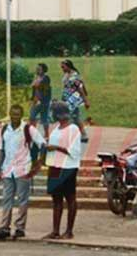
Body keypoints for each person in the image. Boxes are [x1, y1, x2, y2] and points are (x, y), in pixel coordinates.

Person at [0, 105, 46, 241]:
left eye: (17, 115)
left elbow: (43, 145)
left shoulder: (28, 129)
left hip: (23, 169)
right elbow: (1, 150)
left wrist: (37, 164)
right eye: (13, 114)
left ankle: (20, 227)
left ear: (21, 115)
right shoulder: (5, 130)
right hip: (8, 169)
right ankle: (4, 228)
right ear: (9, 114)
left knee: (22, 200)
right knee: (7, 199)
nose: (15, 117)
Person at [43, 102, 81, 240]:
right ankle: (55, 230)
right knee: (56, 199)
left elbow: (75, 151)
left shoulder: (73, 129)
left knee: (70, 198)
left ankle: (69, 231)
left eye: (53, 113)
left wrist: (56, 147)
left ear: (59, 114)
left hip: (68, 167)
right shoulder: (56, 129)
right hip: (54, 166)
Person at [60, 60, 90, 143]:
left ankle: (71, 136)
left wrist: (86, 100)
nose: (62, 69)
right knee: (76, 118)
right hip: (67, 98)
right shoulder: (66, 74)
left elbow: (80, 88)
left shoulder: (75, 75)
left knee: (68, 117)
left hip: (73, 99)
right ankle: (83, 135)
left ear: (68, 66)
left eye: (63, 67)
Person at [29, 63, 52, 138]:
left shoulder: (46, 78)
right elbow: (33, 88)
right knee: (32, 117)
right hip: (35, 100)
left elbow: (43, 88)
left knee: (44, 118)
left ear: (43, 70)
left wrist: (36, 84)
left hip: (43, 101)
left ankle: (46, 134)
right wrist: (32, 99)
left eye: (39, 69)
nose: (37, 70)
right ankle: (33, 133)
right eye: (37, 69)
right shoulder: (36, 77)